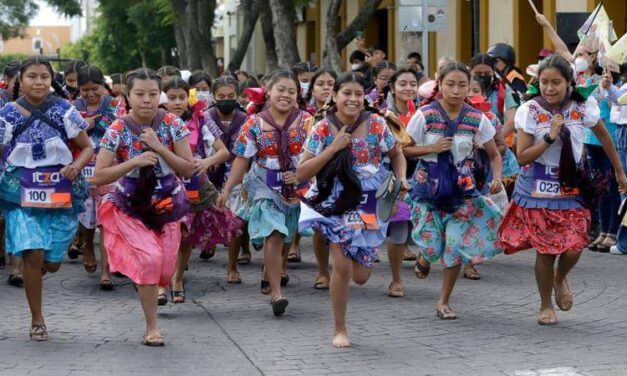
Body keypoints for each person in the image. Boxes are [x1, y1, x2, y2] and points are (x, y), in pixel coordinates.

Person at [497, 55, 627, 325]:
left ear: (569, 83)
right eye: (544, 82)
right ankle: (545, 305)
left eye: (556, 82)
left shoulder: (583, 105)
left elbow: (604, 136)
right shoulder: (530, 110)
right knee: (545, 251)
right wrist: (550, 136)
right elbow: (522, 157)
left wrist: (618, 170)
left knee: (575, 246)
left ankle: (560, 277)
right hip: (538, 190)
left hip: (573, 186)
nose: (549, 88)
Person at [297, 72, 407, 347]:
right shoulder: (322, 128)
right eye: (347, 93)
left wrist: (401, 179)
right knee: (342, 267)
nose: (353, 99)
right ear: (335, 96)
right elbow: (301, 172)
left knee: (360, 276)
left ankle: (363, 261)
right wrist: (333, 148)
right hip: (334, 202)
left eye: (359, 94)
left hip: (368, 202)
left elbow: (397, 155)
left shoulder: (378, 125)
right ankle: (339, 329)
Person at [94, 68, 194, 346]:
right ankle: (152, 327)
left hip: (166, 202)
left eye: (152, 94)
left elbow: (187, 169)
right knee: (149, 259)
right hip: (131, 204)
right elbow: (100, 175)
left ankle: (159, 287)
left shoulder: (172, 123)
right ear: (128, 95)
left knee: (165, 267)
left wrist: (160, 148)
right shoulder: (118, 127)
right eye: (139, 94)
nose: (146, 100)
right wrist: (133, 162)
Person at [0, 55, 94, 341]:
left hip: (60, 189)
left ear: (50, 80)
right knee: (32, 250)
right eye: (31, 76)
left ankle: (39, 269)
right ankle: (37, 319)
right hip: (20, 188)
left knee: (51, 261)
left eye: (43, 76)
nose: (38, 81)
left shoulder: (64, 110)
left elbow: (87, 147)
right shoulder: (7, 114)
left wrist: (76, 167)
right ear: (20, 81)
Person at [405, 61, 504, 320]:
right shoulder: (424, 114)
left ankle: (443, 301)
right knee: (431, 246)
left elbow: (494, 154)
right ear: (440, 83)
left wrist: (497, 177)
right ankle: (425, 257)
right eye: (450, 84)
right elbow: (403, 149)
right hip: (427, 193)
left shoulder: (476, 118)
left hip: (462, 195)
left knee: (454, 246)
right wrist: (430, 149)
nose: (456, 90)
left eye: (462, 85)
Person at [217, 70, 313, 316]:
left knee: (286, 236)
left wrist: (303, 175)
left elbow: (318, 156)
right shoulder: (254, 122)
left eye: (292, 91)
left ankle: (270, 272)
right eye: (281, 89)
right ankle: (276, 293)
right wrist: (227, 190)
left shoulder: (307, 121)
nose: (286, 95)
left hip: (294, 187)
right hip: (262, 185)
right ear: (269, 91)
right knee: (274, 234)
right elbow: (241, 159)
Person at [161, 77, 239, 303]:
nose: (177, 102)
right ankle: (161, 282)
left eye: (181, 97)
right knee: (165, 233)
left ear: (189, 98)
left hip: (193, 186)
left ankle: (177, 278)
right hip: (163, 185)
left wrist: (206, 162)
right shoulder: (156, 119)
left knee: (185, 236)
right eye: (172, 98)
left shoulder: (202, 119)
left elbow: (223, 151)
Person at [72, 65, 121, 290]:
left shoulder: (114, 105)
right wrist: (85, 125)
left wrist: (89, 124)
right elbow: (70, 132)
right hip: (83, 164)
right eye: (85, 90)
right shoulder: (73, 106)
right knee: (86, 211)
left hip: (109, 164)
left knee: (107, 218)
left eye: (95, 89)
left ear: (104, 86)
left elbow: (117, 128)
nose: (90, 94)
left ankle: (106, 271)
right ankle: (87, 246)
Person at [205, 76, 251, 281]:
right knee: (209, 216)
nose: (226, 100)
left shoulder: (246, 119)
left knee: (235, 222)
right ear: (214, 96)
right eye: (221, 96)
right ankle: (208, 243)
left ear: (238, 96)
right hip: (208, 174)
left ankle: (232, 267)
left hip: (237, 174)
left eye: (231, 96)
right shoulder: (205, 117)